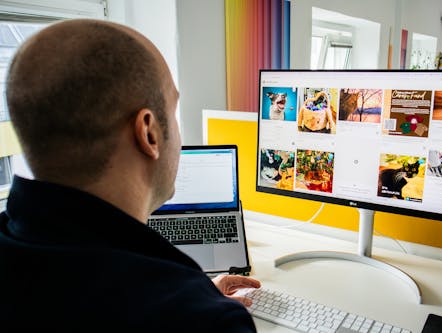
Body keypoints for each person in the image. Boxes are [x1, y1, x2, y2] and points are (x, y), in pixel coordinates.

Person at [0, 19, 260, 330]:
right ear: (148, 133)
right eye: (173, 111)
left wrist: (199, 294)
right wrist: (200, 306)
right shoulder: (202, 321)